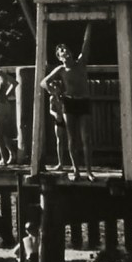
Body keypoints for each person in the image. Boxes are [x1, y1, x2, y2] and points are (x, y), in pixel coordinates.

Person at [41, 24, 94, 181]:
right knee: (72, 138)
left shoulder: (80, 63)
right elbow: (43, 82)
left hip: (83, 101)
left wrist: (89, 26)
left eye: (67, 50)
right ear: (59, 57)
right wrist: (54, 91)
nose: (66, 53)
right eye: (62, 52)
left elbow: (86, 44)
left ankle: (89, 171)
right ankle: (76, 170)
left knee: (86, 137)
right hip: (69, 104)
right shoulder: (60, 70)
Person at [38, 73, 68, 171]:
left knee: (71, 140)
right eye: (52, 88)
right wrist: (55, 114)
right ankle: (60, 163)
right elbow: (51, 110)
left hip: (67, 119)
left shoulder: (65, 97)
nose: (53, 89)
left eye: (55, 87)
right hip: (58, 120)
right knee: (59, 141)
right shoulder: (52, 98)